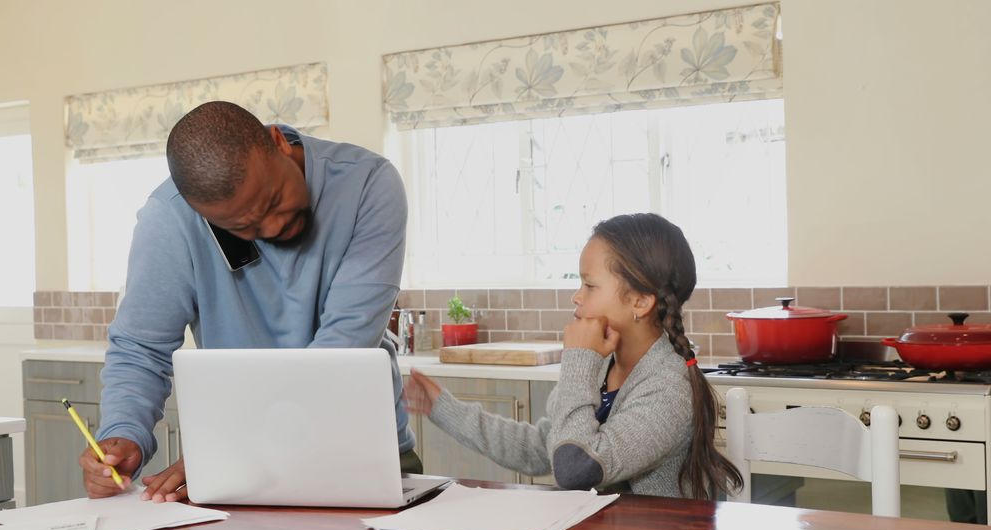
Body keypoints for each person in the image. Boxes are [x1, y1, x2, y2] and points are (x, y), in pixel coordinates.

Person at [79, 101, 418, 502]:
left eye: (274, 200)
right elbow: (141, 350)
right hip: (238, 475)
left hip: (360, 456)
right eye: (245, 227)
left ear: (277, 142)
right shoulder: (169, 220)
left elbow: (341, 349)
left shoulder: (368, 185)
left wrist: (235, 451)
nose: (274, 225)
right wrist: (123, 436)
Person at [406, 213, 743, 498]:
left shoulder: (668, 388)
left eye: (590, 285)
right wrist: (444, 408)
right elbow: (544, 448)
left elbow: (575, 468)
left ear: (640, 301)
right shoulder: (603, 367)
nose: (576, 297)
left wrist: (579, 359)